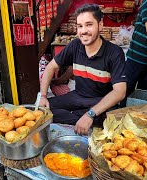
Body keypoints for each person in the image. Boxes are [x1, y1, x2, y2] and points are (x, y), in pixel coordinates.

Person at [39, 4, 126, 135]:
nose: (83, 31)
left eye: (89, 24)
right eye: (80, 26)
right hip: (77, 96)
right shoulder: (75, 45)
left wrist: (90, 114)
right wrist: (43, 96)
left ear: (100, 25)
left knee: (110, 120)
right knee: (42, 111)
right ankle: (81, 121)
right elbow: (50, 67)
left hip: (100, 101)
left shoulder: (114, 53)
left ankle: (81, 120)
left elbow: (120, 92)